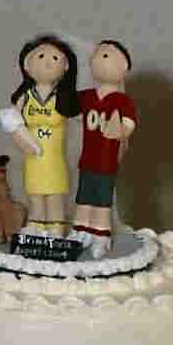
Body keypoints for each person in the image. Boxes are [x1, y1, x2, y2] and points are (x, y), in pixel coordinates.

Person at [0, 34, 81, 228]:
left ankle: (55, 228)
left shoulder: (63, 98)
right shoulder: (25, 97)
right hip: (33, 159)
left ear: (66, 66)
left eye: (55, 58)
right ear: (27, 64)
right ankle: (36, 227)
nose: (48, 63)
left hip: (55, 159)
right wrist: (18, 132)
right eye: (41, 57)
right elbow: (11, 119)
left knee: (54, 196)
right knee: (35, 196)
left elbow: (82, 119)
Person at [72, 37, 137, 239]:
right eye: (96, 54)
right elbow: (68, 107)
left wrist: (121, 131)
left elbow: (128, 125)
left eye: (106, 54)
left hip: (106, 162)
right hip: (87, 159)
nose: (97, 59)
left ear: (124, 66)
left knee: (101, 200)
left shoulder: (122, 101)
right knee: (83, 198)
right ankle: (80, 230)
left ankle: (100, 234)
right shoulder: (87, 96)